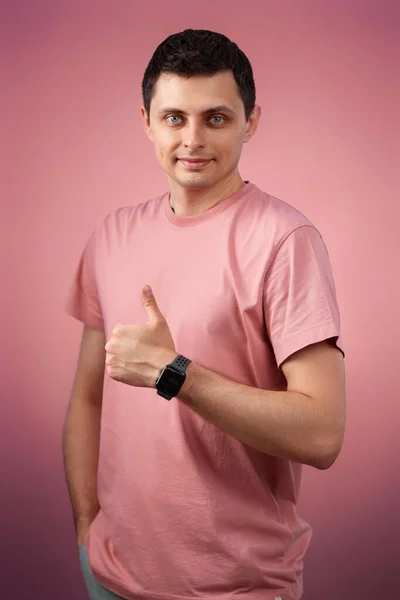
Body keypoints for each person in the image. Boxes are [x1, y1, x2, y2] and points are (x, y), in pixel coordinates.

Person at [63, 28, 346, 600]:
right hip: (111, 577)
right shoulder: (113, 234)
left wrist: (176, 373)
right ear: (146, 120)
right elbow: (88, 397)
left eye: (216, 118)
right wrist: (86, 529)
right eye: (174, 118)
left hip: (235, 587)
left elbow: (323, 434)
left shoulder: (285, 240)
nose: (192, 139)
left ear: (251, 121)